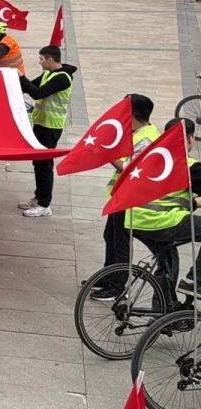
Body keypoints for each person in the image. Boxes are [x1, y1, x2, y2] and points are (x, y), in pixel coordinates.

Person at [128, 117, 201, 305]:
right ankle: (195, 281)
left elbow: (165, 196)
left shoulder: (151, 157)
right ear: (190, 138)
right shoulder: (189, 165)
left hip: (135, 219)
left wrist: (194, 204)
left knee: (168, 259)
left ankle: (163, 311)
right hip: (161, 221)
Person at [92, 94, 158, 300]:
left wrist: (108, 155)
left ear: (132, 114)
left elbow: (131, 169)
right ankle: (107, 275)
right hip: (120, 196)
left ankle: (117, 286)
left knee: (120, 242)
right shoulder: (138, 131)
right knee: (110, 236)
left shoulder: (146, 137)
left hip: (130, 198)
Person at [17, 46, 77, 218]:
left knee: (44, 165)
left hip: (51, 126)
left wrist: (21, 77)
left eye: (41, 59)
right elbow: (30, 86)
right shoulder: (49, 74)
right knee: (38, 162)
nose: (39, 62)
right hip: (41, 122)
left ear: (50, 60)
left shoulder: (63, 78)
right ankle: (38, 197)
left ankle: (45, 204)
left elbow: (37, 93)